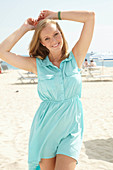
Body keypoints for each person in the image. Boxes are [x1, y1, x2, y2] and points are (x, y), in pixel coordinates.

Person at [0, 10, 95, 170]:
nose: (54, 41)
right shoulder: (37, 65)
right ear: (42, 43)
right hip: (47, 129)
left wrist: (56, 15)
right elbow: (2, 52)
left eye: (56, 34)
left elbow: (90, 17)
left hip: (72, 129)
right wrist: (25, 28)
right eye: (47, 38)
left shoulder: (76, 58)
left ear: (62, 34)